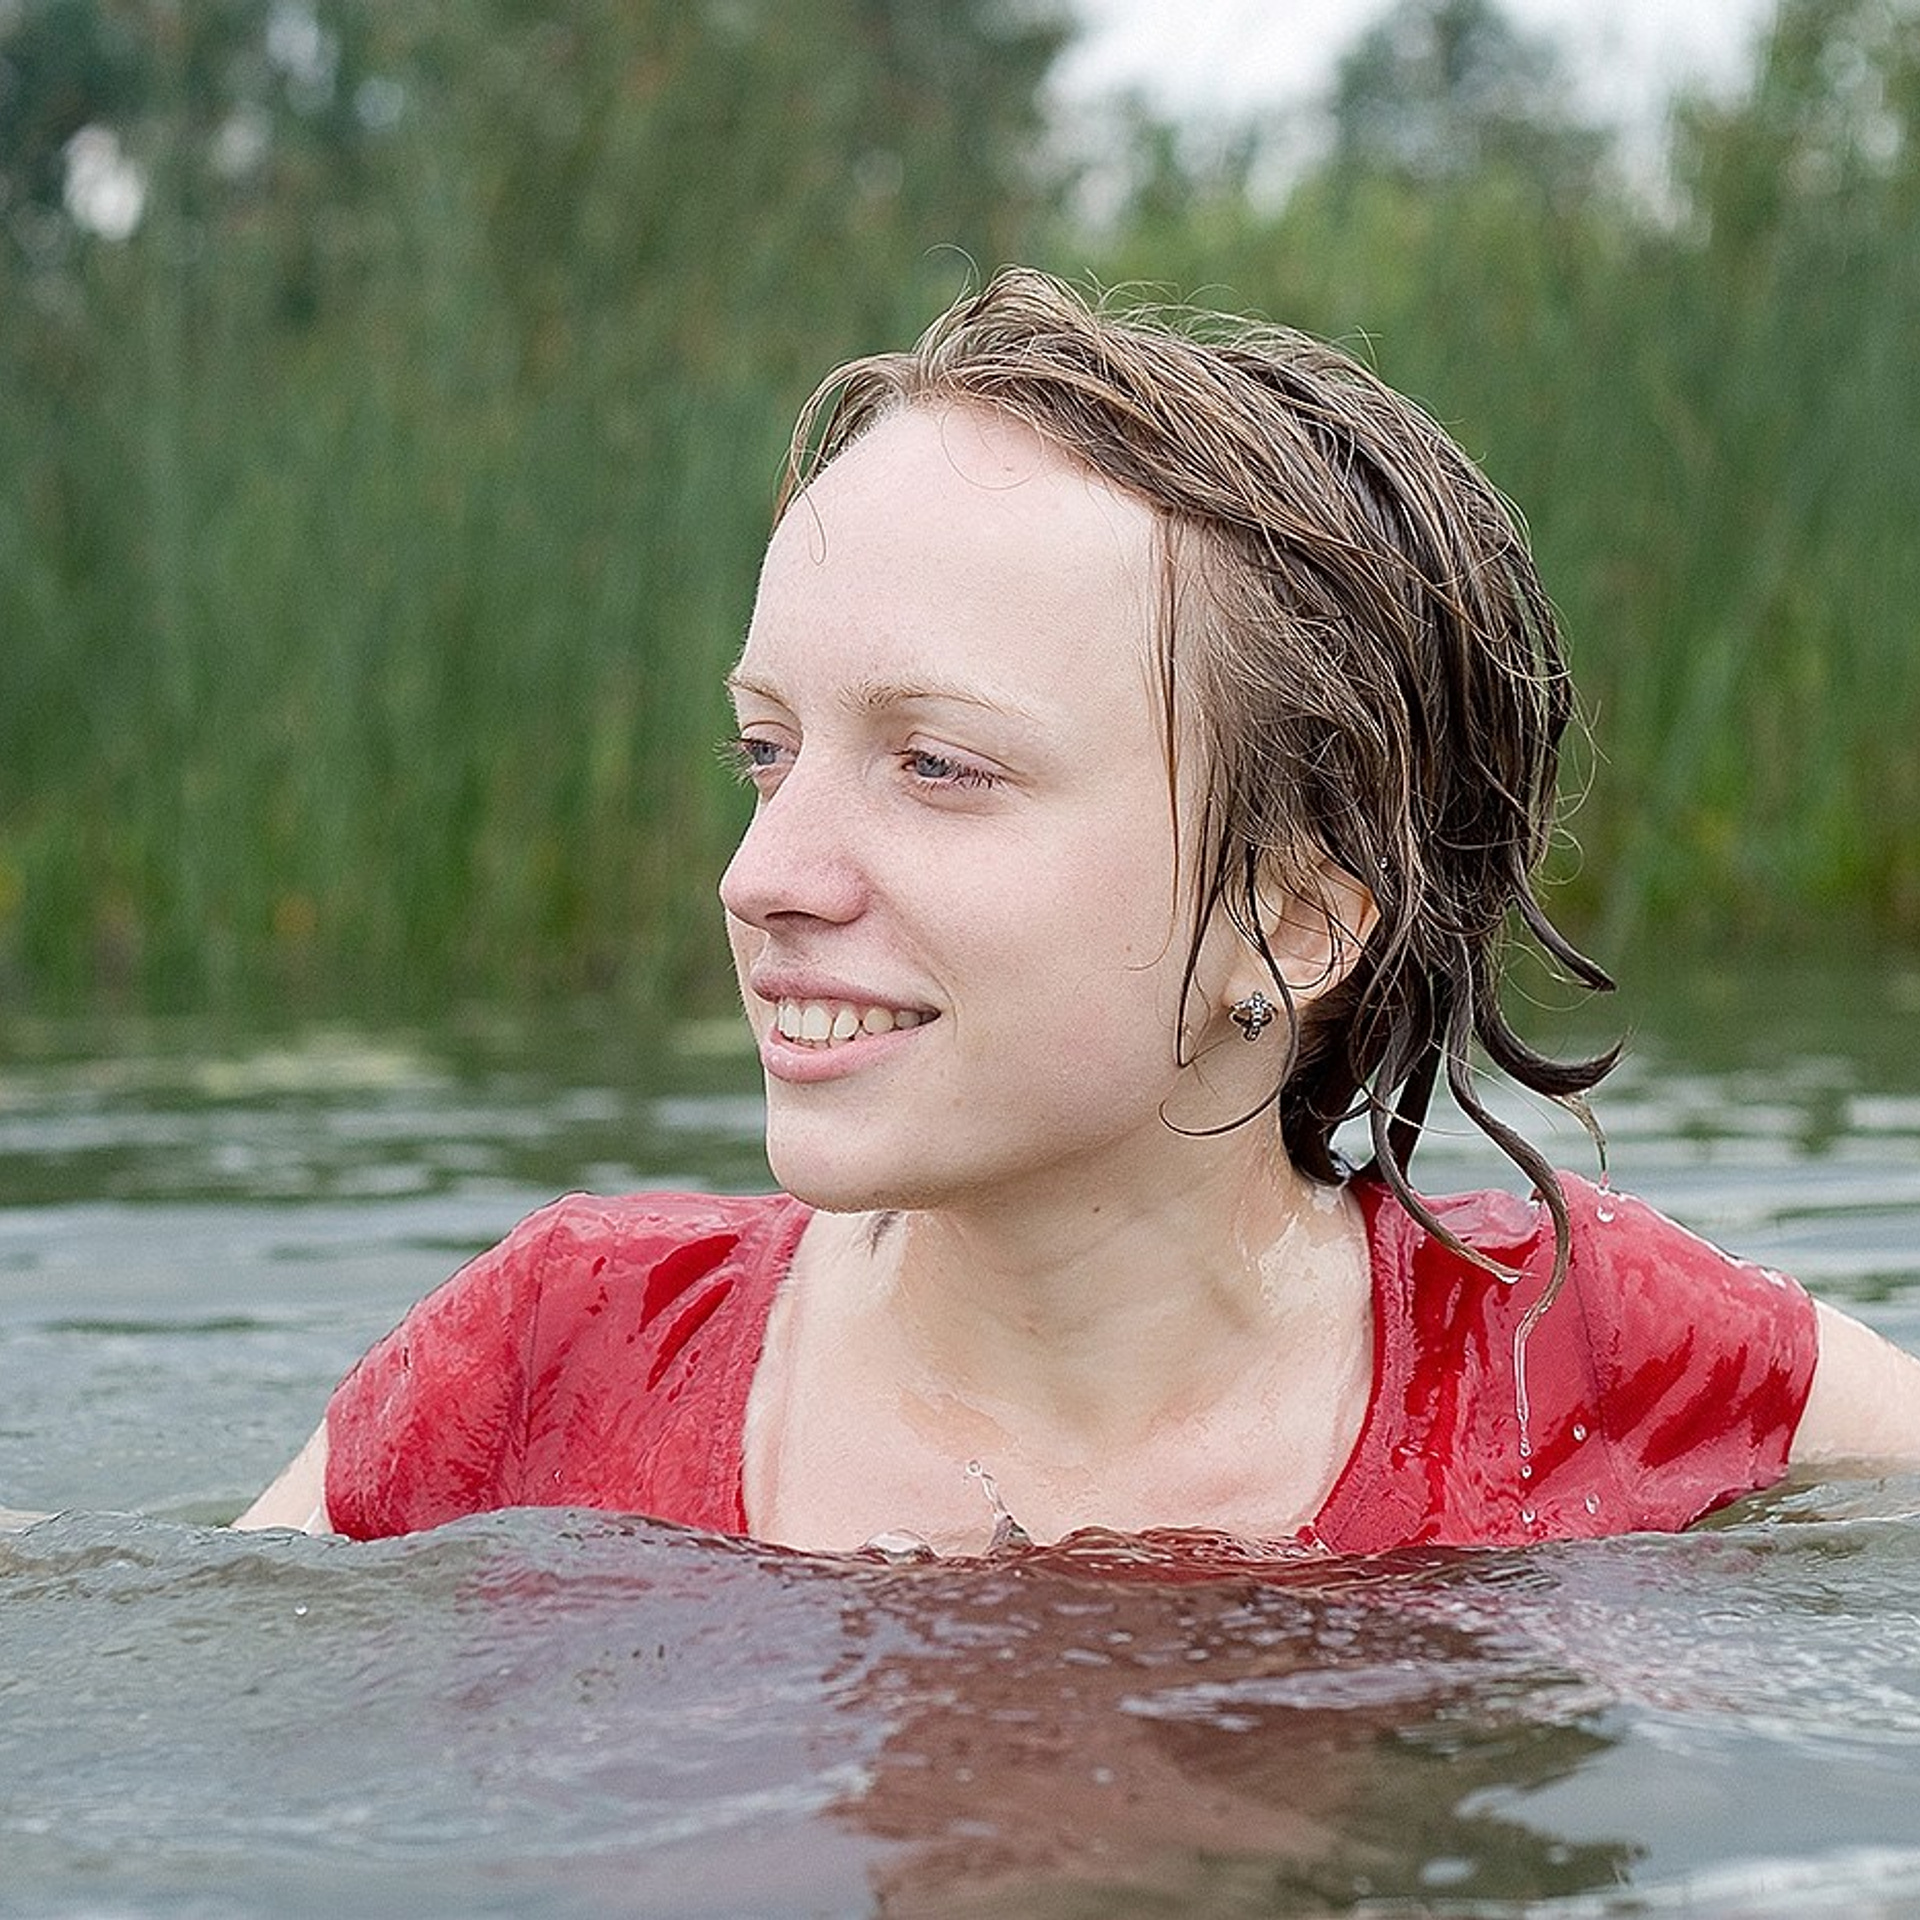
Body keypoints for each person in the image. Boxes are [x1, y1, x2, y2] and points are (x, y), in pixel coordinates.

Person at [237, 268, 1920, 1554]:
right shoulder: (562, 1358)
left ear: (1295, 924)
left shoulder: (1583, 1361)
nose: (760, 878)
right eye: (766, 750)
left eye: (940, 766)